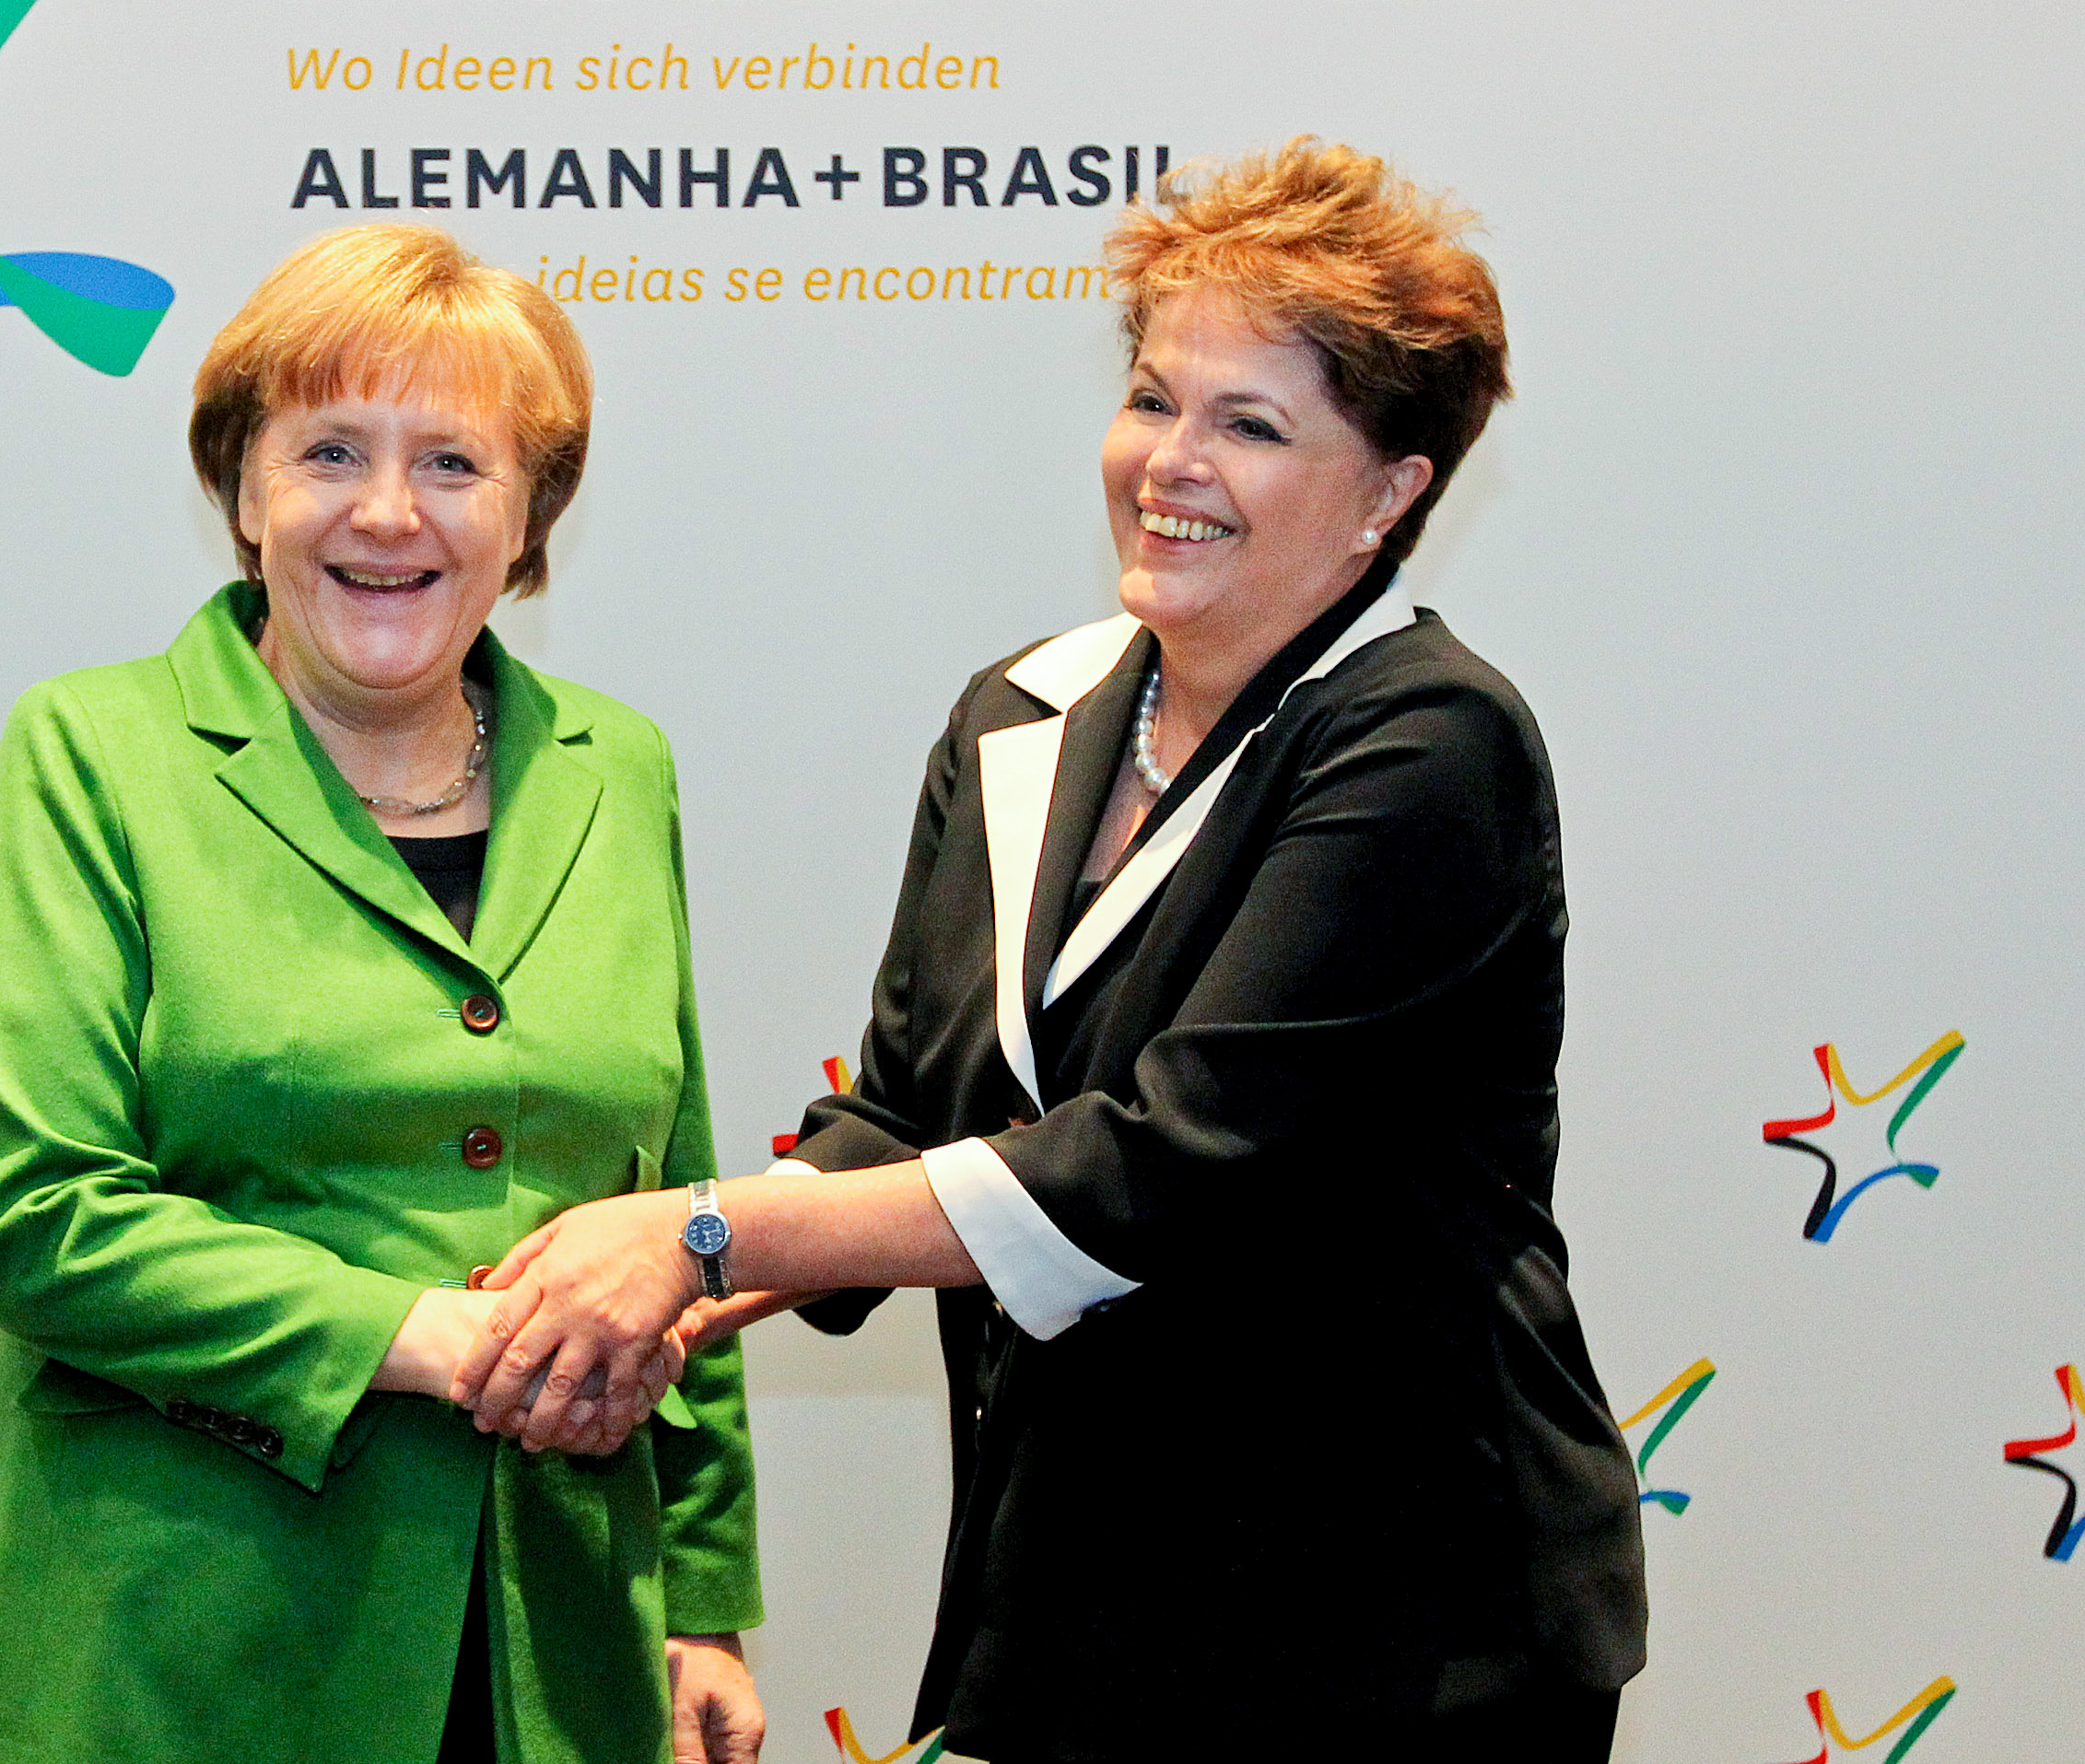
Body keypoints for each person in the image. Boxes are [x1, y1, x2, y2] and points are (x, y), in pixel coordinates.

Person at [452, 143, 1647, 1761]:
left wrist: (705, 1237)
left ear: (1389, 493)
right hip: (1078, 1592)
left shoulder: (1426, 742)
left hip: (1390, 1629)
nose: (1171, 459)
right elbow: (905, 1111)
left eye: (1251, 423)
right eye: (1155, 397)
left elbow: (1157, 1170)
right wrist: (651, 1311)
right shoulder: (1022, 710)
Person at [0, 224, 764, 1764]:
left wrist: (701, 1595)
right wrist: (439, 1338)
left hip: (554, 1640)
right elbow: (39, 1214)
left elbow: (670, 1203)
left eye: (454, 462)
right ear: (245, 491)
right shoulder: (90, 753)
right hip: (188, 1653)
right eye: (329, 449)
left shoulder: (619, 766)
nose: (388, 513)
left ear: (529, 518)